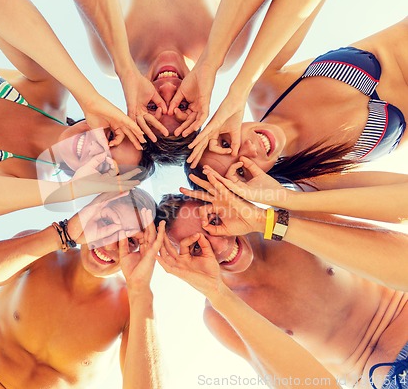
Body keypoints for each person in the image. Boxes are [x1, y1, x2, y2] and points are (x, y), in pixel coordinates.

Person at [155, 165, 408, 389]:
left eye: (214, 221)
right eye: (197, 248)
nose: (219, 246)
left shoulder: (288, 216)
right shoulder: (219, 314)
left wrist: (264, 221)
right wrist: (216, 293)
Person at [0, 0, 156, 220]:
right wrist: (88, 97)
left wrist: (69, 192)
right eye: (110, 136)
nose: (97, 147)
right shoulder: (49, 89)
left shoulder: (26, 178)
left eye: (103, 165)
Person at [0, 189, 164, 389]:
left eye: (131, 240)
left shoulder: (131, 308)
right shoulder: (42, 256)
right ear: (88, 215)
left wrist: (141, 290)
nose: (111, 243)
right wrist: (61, 234)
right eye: (106, 221)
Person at [68, 0, 331, 164]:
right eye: (182, 106)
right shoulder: (223, 55)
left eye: (152, 105)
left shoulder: (114, 59)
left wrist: (123, 65)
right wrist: (219, 69)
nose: (169, 88)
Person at [186, 17, 408, 185]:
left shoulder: (262, 86)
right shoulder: (318, 177)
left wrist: (239, 90)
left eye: (226, 144)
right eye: (241, 171)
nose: (248, 149)